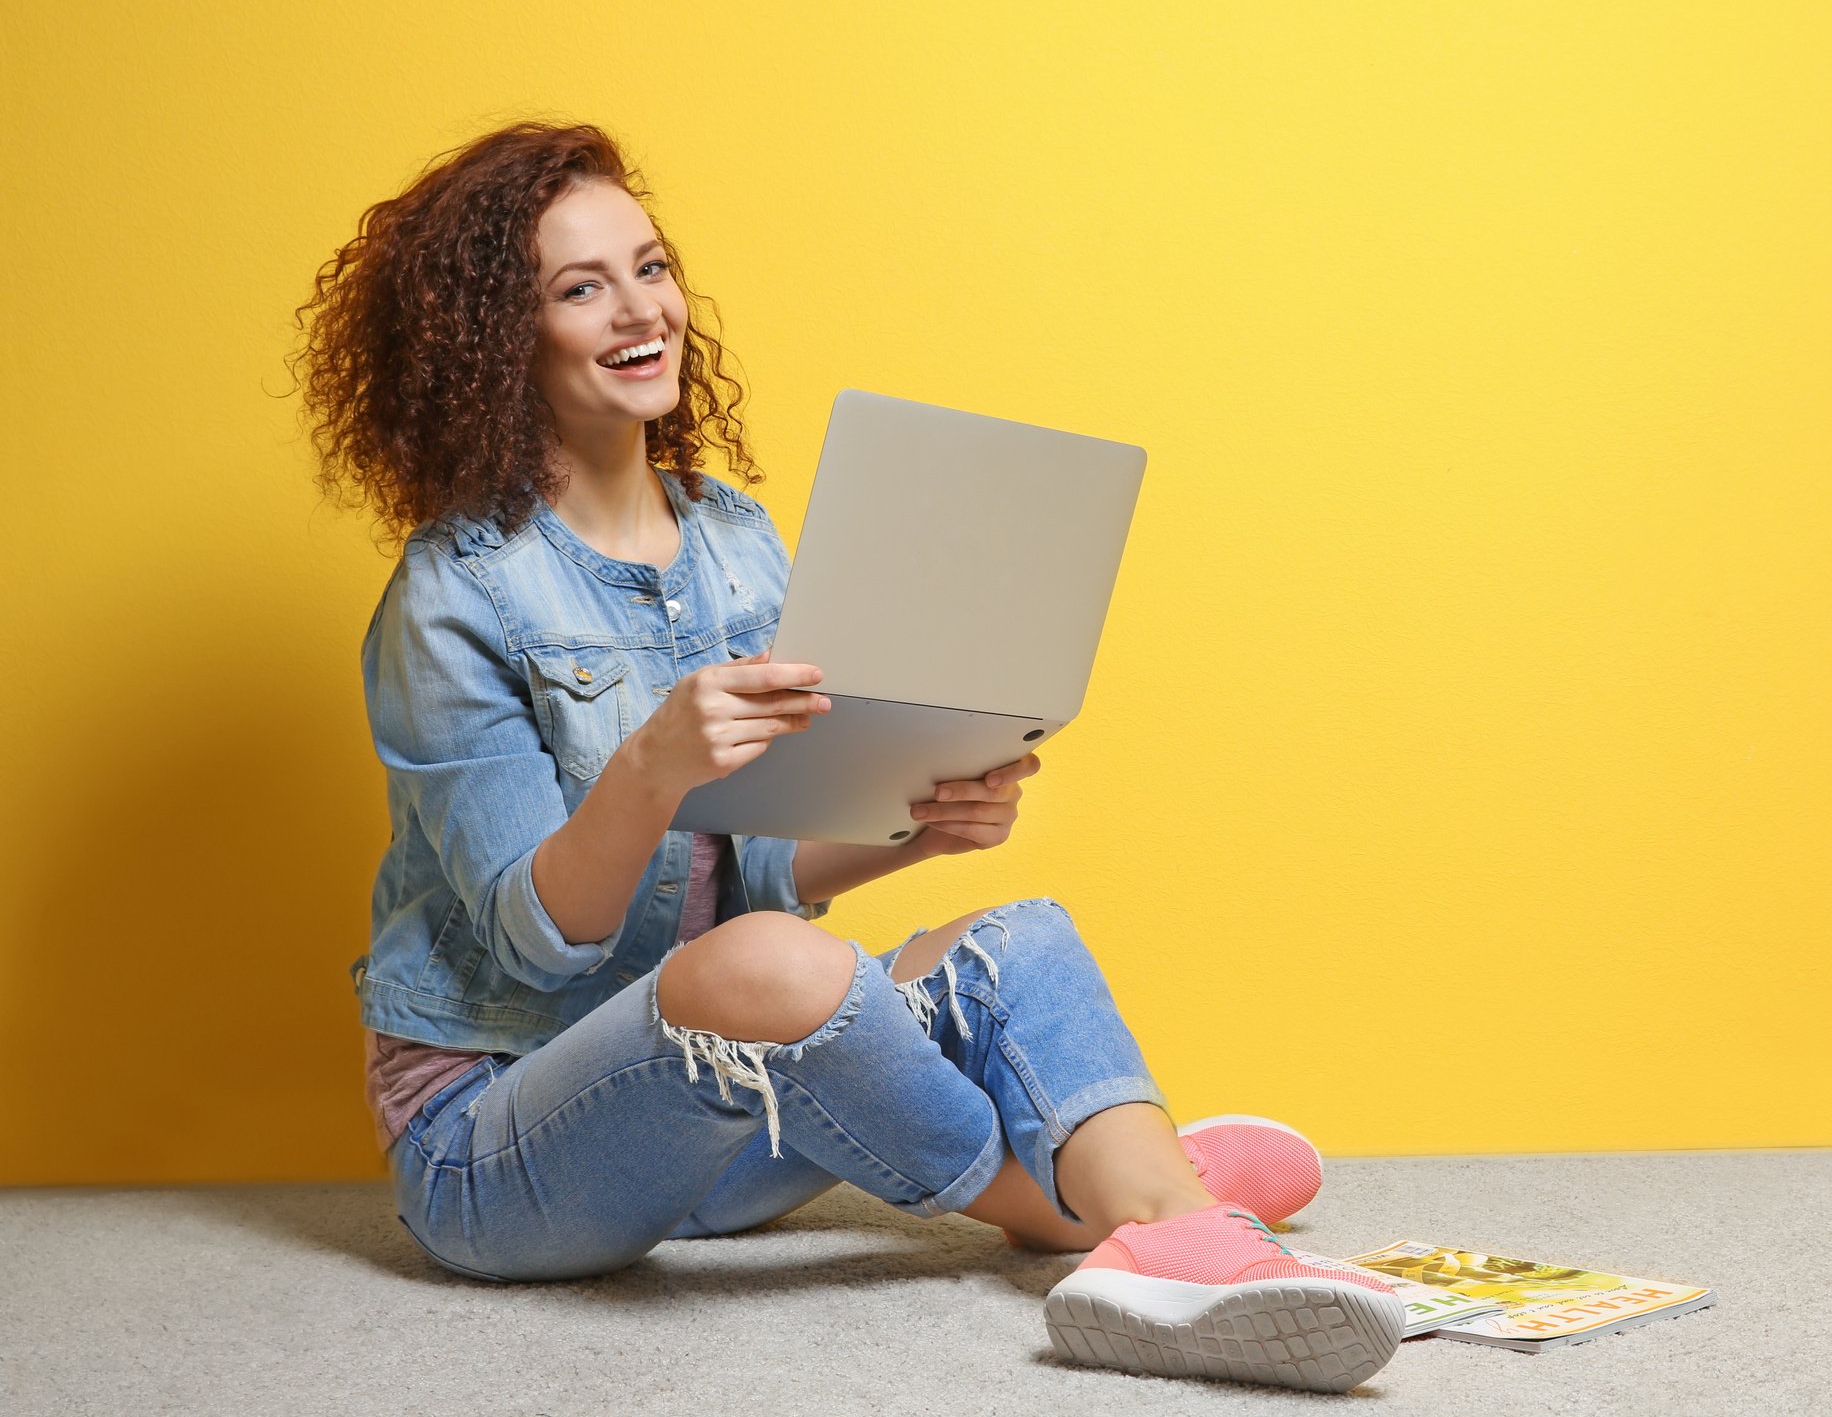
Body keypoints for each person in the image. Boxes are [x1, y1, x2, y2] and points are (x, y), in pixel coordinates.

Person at [291, 120, 1406, 1392]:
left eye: (649, 268)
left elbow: (760, 893)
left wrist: (914, 828)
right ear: (500, 337)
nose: (637, 310)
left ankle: (1172, 1218)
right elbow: (535, 941)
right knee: (773, 966)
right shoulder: (452, 595)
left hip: (727, 1121)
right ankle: (1119, 1208)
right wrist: (650, 767)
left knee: (1018, 941)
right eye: (578, 288)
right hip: (506, 1150)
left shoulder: (733, 540)